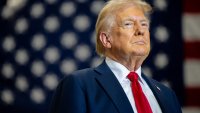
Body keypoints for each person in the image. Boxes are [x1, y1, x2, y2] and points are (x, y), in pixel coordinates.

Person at [49, 0, 182, 113]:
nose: (140, 31)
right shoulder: (79, 85)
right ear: (106, 39)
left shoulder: (167, 95)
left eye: (144, 24)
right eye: (128, 24)